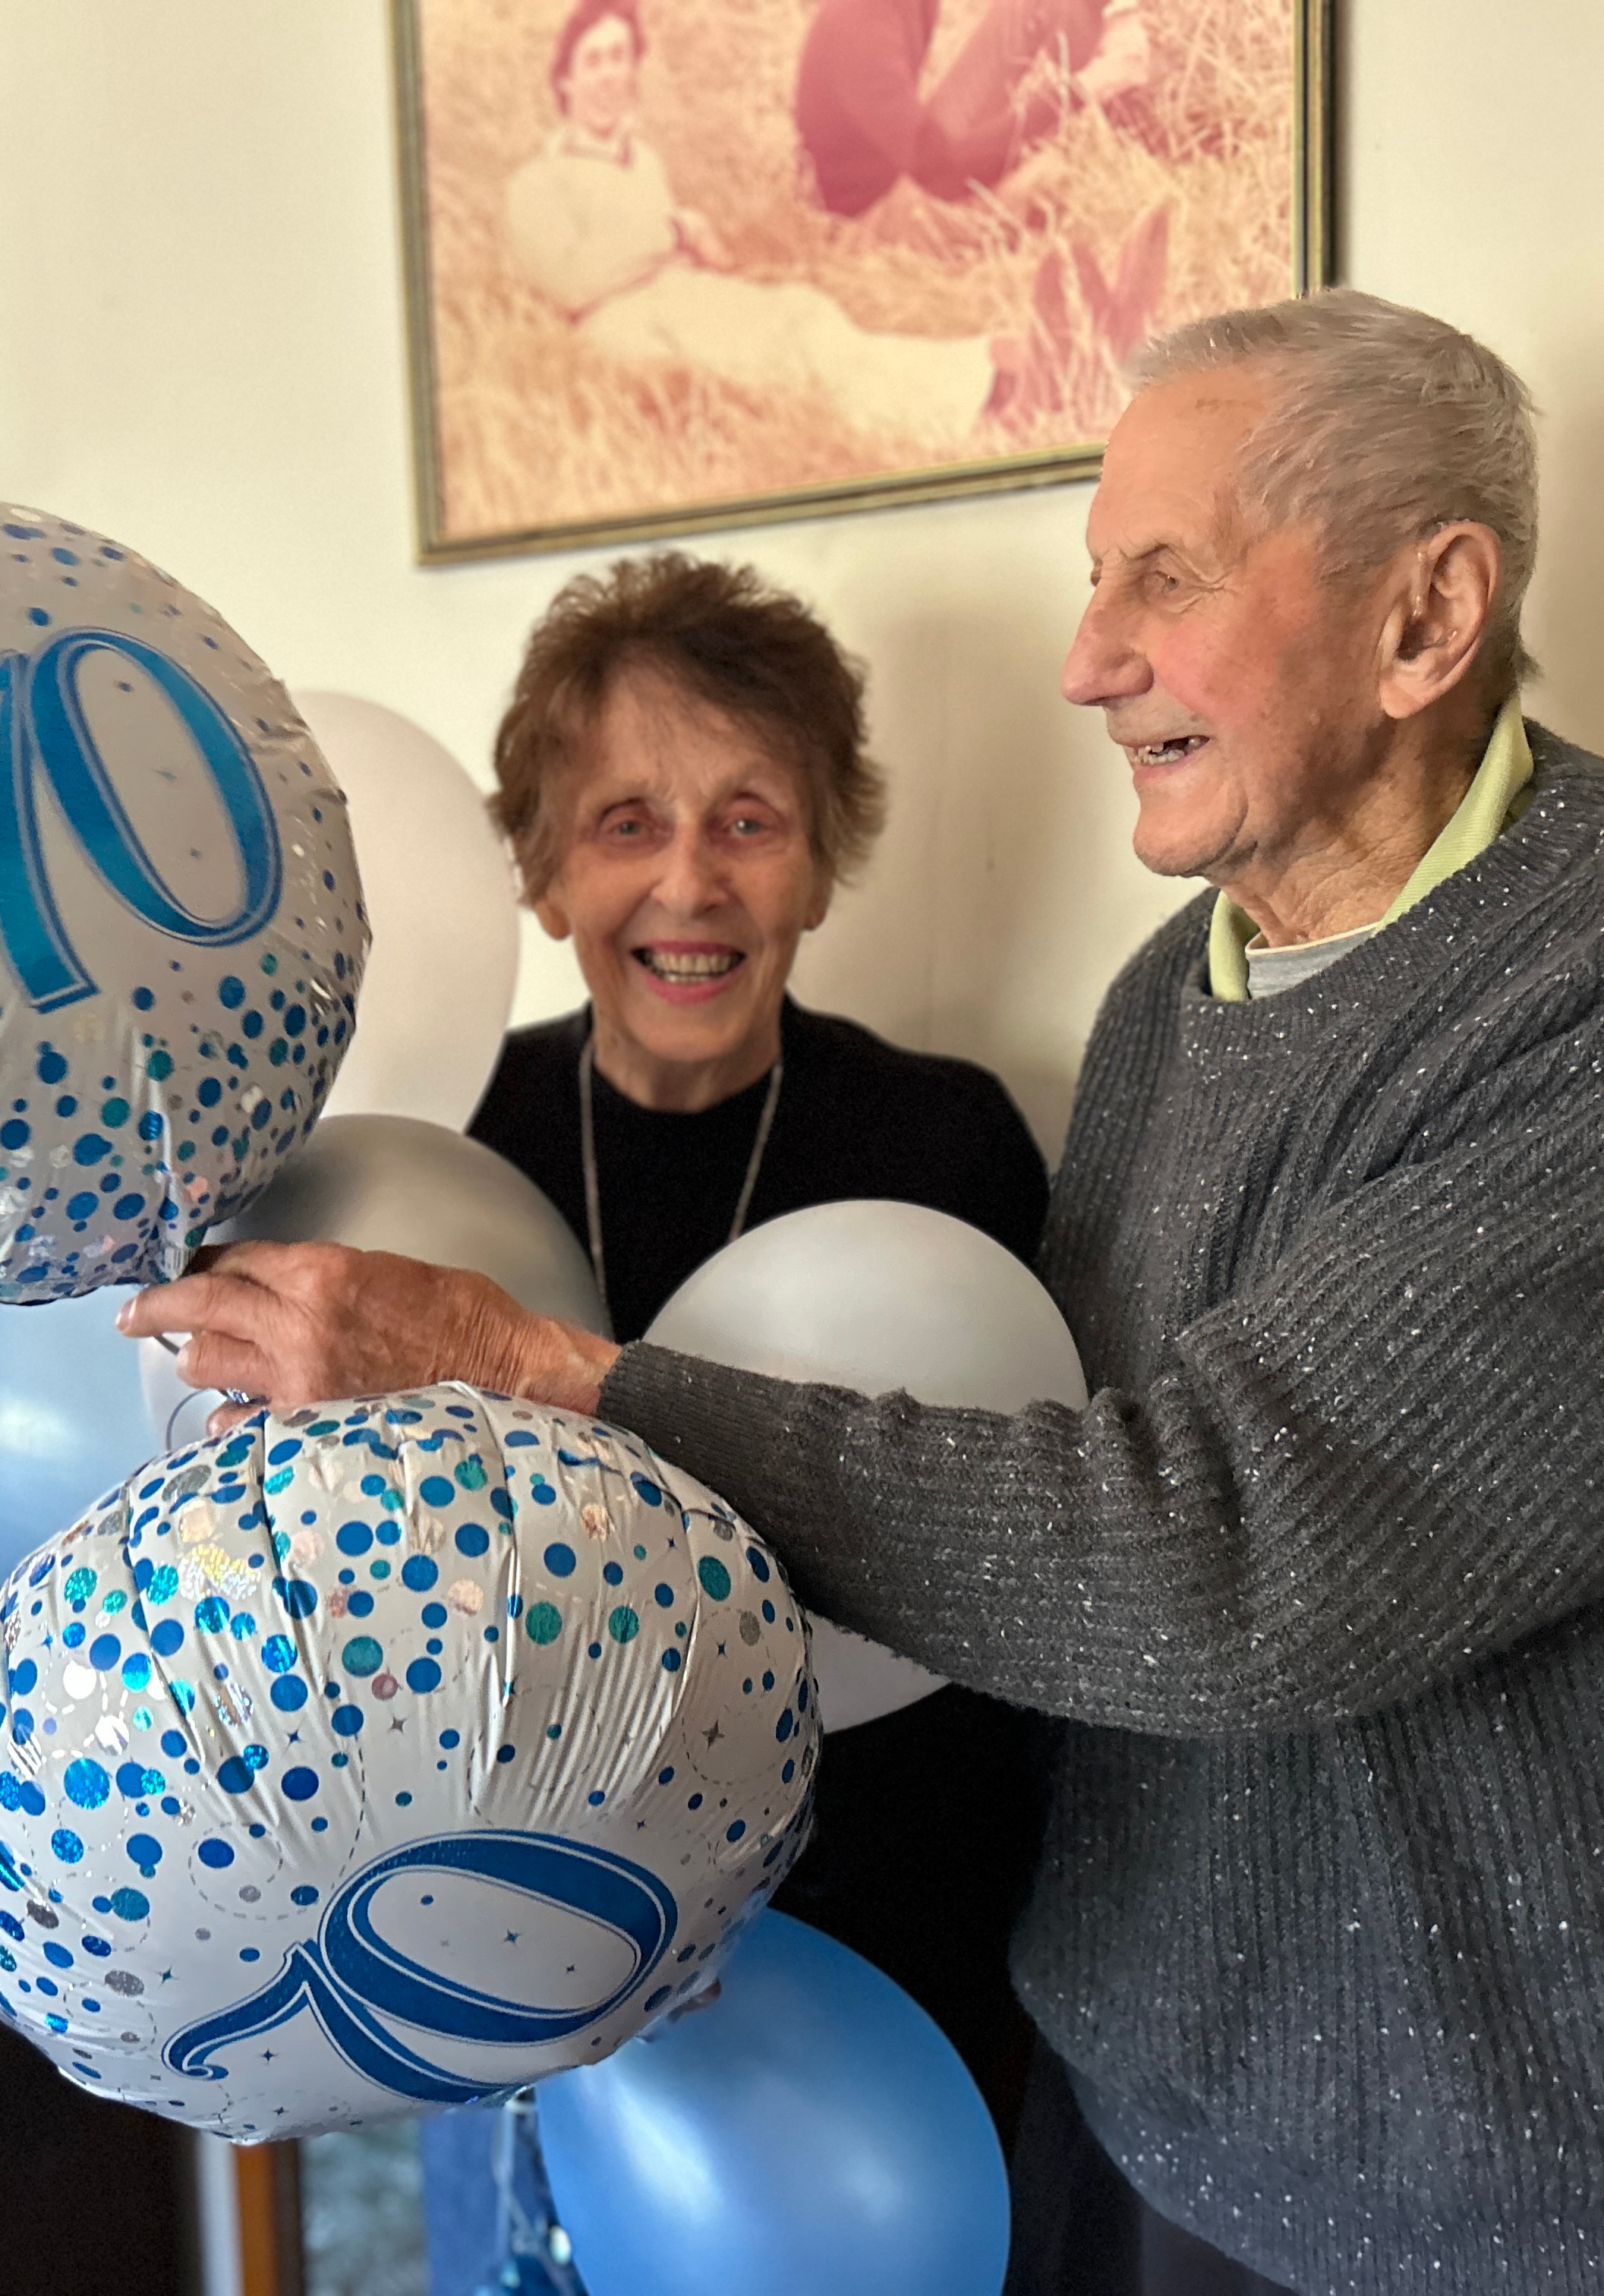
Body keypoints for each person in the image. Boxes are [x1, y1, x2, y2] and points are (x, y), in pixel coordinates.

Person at [127, 290, 1604, 2292]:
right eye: (1095, 584)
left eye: (1163, 578)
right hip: (1142, 2113)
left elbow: (1234, 1563)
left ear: (1427, 619)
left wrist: (553, 1380)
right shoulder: (1173, 1000)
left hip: (1551, 2206)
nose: (1090, 664)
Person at [424, 549, 1053, 2291]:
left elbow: (1014, 1562)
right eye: (624, 821)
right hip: (516, 1912)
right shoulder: (446, 1151)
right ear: (547, 874)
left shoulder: (948, 1148)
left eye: (749, 819)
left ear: (826, 858)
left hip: (873, 1928)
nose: (687, 886)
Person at [506, 0, 1090, 441]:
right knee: (797, 347)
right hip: (632, 326)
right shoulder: (536, 181)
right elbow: (572, 281)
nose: (609, 75)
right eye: (594, 61)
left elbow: (663, 252)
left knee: (807, 315)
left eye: (619, 59)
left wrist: (696, 250)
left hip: (684, 295)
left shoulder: (644, 164)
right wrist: (675, 232)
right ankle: (974, 400)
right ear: (566, 80)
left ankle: (979, 364)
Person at [795, 0, 1154, 218]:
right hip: (874, 213)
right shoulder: (861, 26)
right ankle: (1112, 97)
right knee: (1057, 183)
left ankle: (1130, 121)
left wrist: (1119, 15)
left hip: (914, 161)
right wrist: (1078, 93)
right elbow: (940, 171)